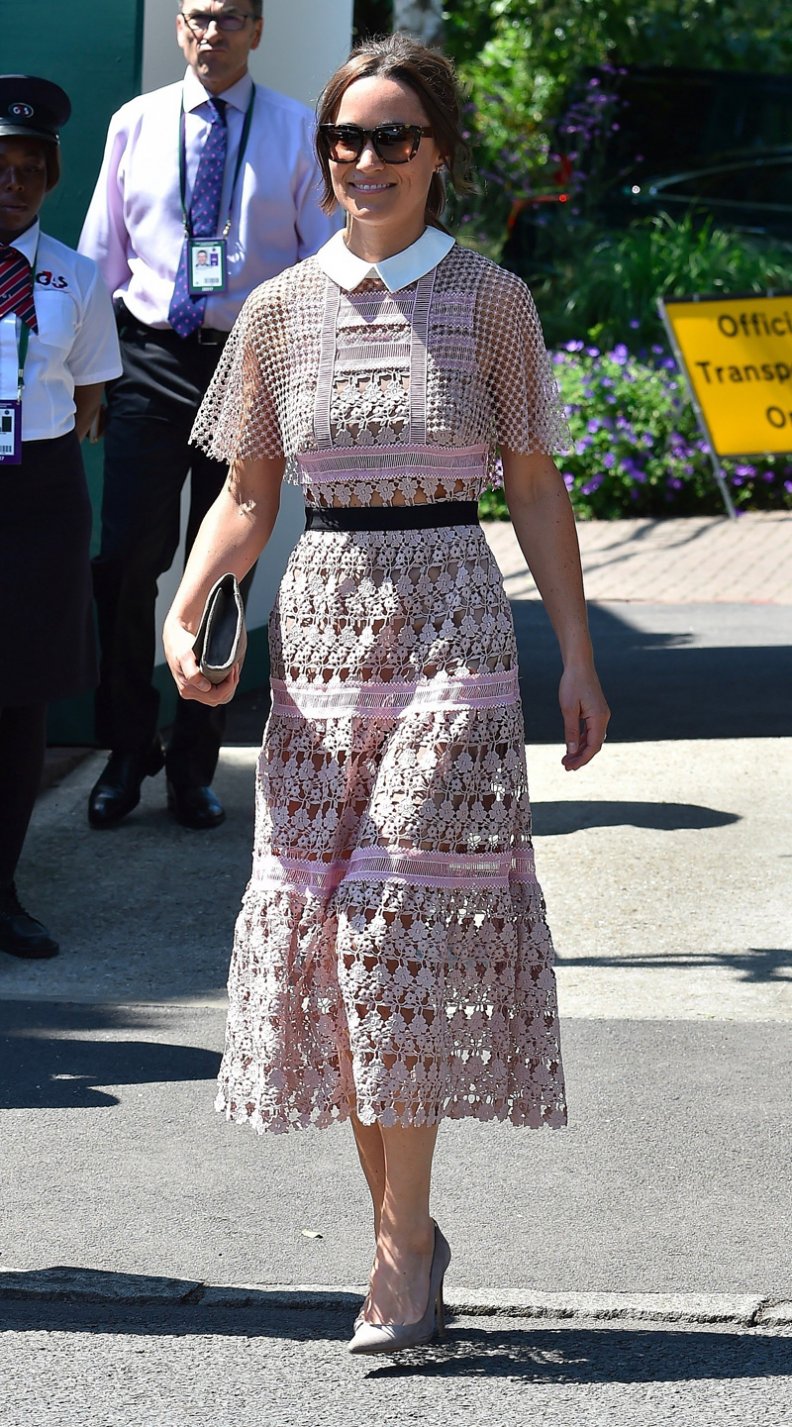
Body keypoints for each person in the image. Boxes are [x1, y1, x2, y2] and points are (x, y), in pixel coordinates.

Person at [163, 34, 610, 1353]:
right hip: (323, 632)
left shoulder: (493, 300)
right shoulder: (281, 308)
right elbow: (247, 497)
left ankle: (400, 1258)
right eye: (348, 139)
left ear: (439, 154)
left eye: (396, 137)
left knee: (387, 930)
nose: (368, 160)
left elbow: (533, 484)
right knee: (346, 952)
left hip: (455, 624)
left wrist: (576, 655)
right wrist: (181, 615)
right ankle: (402, 1238)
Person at [78, 0, 337, 832]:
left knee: (224, 565)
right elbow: (99, 255)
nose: (210, 33)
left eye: (229, 18)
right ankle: (126, 747)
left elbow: (316, 266)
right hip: (149, 358)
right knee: (124, 561)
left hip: (251, 363)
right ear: (180, 26)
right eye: (196, 16)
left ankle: (194, 761)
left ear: (257, 29)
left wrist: (303, 383)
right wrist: (88, 375)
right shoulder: (137, 122)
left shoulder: (297, 130)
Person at [0, 76, 121, 960]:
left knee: (20, 703)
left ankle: (3, 887)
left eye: (30, 170)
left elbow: (87, 393)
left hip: (38, 497)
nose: (13, 183)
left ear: (50, 180)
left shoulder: (75, 275)